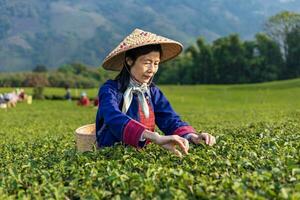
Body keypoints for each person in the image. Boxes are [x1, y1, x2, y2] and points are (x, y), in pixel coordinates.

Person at [96, 28, 216, 157]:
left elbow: (169, 119)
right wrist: (155, 137)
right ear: (129, 61)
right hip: (112, 153)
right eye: (147, 63)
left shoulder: (152, 91)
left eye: (156, 63)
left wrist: (192, 136)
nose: (152, 70)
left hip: (143, 153)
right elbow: (112, 117)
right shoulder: (110, 89)